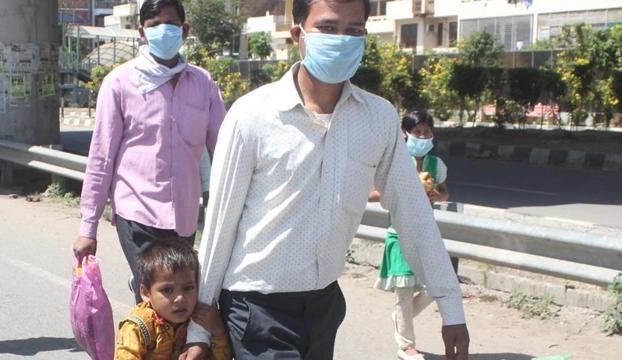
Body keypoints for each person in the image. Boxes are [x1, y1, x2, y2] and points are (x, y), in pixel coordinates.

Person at [183, 1, 469, 359]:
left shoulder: (377, 119)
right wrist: (199, 326)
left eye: (354, 31)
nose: (342, 40)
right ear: (297, 35)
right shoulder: (252, 116)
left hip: (324, 306)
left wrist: (451, 306)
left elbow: (413, 213)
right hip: (257, 306)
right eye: (329, 28)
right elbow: (220, 225)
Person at [72, 0, 225, 304]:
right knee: (159, 295)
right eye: (154, 26)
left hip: (183, 215)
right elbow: (102, 158)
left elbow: (223, 148)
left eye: (169, 24)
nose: (162, 32)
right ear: (142, 32)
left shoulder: (203, 84)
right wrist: (88, 227)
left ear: (185, 30)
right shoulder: (119, 83)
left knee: (179, 295)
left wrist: (221, 198)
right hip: (136, 212)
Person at [369, 110, 449, 360]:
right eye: (417, 132)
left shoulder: (437, 165)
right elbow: (371, 194)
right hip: (399, 233)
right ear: (406, 133)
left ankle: (401, 318)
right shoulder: (394, 162)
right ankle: (406, 345)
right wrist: (403, 191)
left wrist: (438, 195)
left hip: (426, 234)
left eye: (426, 132)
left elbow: (445, 192)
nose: (422, 136)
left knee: (437, 285)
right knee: (403, 291)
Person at [115, 237, 231, 359]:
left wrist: (218, 331)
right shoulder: (138, 328)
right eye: (167, 290)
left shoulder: (197, 322)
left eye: (187, 288)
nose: (180, 298)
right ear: (145, 293)